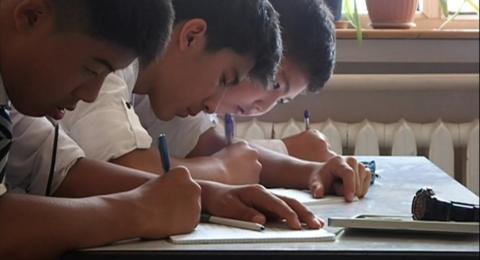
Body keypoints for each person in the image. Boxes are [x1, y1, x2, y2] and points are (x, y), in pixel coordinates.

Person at [0, 0, 191, 260]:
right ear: (32, 17)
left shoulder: (12, 100)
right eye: (91, 69)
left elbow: (61, 171)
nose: (90, 95)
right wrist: (137, 212)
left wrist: (201, 195)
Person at [133, 0, 371, 200]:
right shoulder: (132, 61)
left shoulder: (179, 88)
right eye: (274, 83)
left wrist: (314, 172)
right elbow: (119, 164)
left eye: (281, 101)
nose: (264, 107)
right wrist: (222, 172)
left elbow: (202, 145)